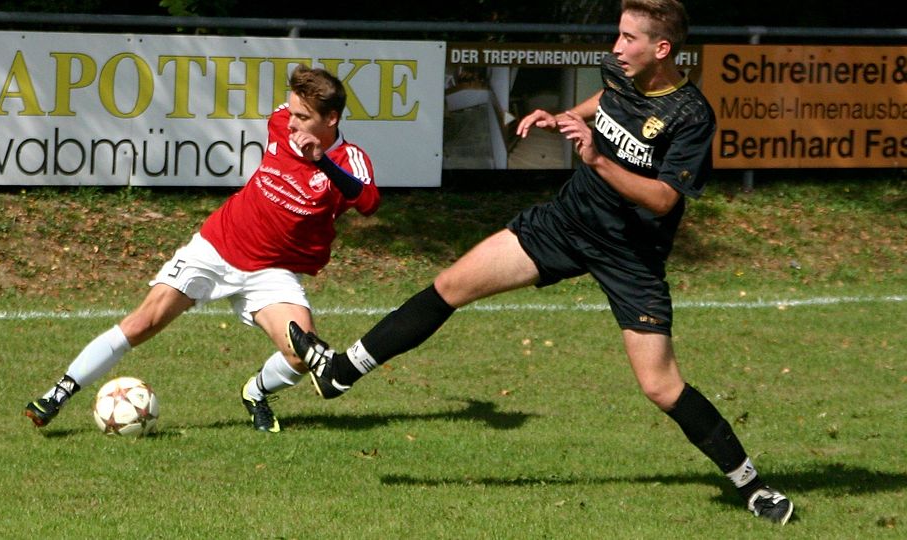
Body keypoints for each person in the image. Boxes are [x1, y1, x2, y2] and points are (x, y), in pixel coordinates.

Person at [287, 0, 794, 525]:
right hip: (564, 224)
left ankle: (752, 486)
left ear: (661, 49)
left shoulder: (690, 115)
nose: (616, 47)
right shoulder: (619, 72)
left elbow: (665, 199)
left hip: (631, 257)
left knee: (660, 385)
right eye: (617, 35)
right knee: (450, 285)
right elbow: (604, 102)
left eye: (629, 38)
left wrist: (595, 157)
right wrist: (566, 116)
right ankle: (342, 371)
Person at [24, 64, 380, 433]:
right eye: (290, 112)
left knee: (301, 354)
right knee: (142, 322)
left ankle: (255, 392)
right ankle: (58, 393)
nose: (291, 124)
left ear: (332, 118)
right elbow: (288, 116)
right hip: (217, 246)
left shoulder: (348, 160)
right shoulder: (281, 123)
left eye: (303, 117)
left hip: (272, 270)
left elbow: (369, 202)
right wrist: (297, 119)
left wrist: (322, 161)